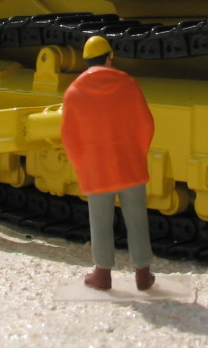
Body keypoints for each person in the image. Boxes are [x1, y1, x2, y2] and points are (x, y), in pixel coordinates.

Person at [60, 35, 156, 291]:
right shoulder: (128, 84)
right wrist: (138, 154)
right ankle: (143, 274)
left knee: (100, 222)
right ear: (109, 58)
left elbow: (69, 137)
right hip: (130, 165)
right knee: (137, 219)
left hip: (96, 170)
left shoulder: (74, 92)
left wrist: (83, 166)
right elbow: (146, 124)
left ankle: (102, 275)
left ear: (86, 61)